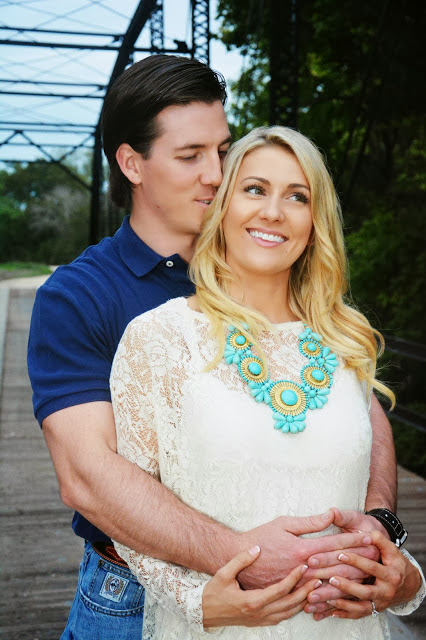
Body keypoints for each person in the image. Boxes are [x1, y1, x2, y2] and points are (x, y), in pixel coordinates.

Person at [26, 55, 406, 639]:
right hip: (137, 591)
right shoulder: (80, 295)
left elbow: (360, 404)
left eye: (223, 151)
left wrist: (379, 519)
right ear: (132, 163)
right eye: (191, 156)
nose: (216, 173)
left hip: (311, 591)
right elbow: (88, 475)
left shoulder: (266, 255)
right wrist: (242, 558)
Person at [110, 125, 425, 639]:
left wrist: (403, 576)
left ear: (315, 223)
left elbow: (370, 492)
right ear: (222, 206)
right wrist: (201, 603)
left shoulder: (347, 342)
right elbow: (129, 515)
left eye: (297, 196)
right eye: (255, 189)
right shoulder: (159, 339)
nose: (273, 212)